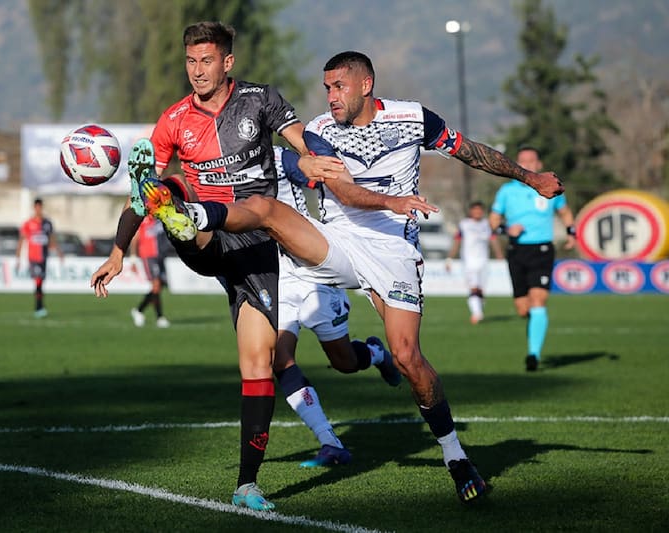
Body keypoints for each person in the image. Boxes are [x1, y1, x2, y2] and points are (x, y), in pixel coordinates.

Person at [139, 51, 566, 504]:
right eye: (326, 88)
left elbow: (469, 151)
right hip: (338, 241)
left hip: (394, 250)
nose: (330, 97)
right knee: (268, 213)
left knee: (408, 359)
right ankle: (193, 217)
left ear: (366, 84)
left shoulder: (413, 118)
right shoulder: (319, 132)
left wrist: (529, 177)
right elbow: (340, 190)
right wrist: (388, 200)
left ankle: (456, 456)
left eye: (338, 86)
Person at [90, 21, 308, 511]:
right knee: (169, 195)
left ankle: (247, 484)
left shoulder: (260, 100)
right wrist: (119, 249)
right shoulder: (173, 120)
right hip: (207, 236)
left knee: (257, 364)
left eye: (206, 61)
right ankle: (177, 212)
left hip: (255, 244)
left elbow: (301, 142)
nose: (197, 71)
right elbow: (136, 203)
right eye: (190, 62)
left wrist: (313, 162)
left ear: (227, 62)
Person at [272, 145, 402, 468]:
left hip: (314, 270)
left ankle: (375, 353)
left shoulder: (279, 157)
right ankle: (330, 441)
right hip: (277, 278)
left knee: (343, 361)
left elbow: (315, 173)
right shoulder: (223, 170)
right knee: (279, 358)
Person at [488, 146, 576, 372]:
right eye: (522, 162)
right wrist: (507, 228)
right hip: (517, 251)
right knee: (523, 309)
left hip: (542, 250)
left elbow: (564, 211)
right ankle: (534, 334)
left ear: (539, 164)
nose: (527, 165)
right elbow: (494, 220)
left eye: (531, 161)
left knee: (538, 302)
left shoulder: (550, 187)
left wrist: (571, 232)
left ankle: (533, 355)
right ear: (516, 165)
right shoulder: (507, 192)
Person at [445, 201, 504, 324]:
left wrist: (499, 255)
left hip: (483, 261)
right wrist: (450, 258)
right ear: (471, 211)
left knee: (481, 290)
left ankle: (479, 311)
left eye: (480, 210)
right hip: (468, 262)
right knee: (474, 288)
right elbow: (457, 241)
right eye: (475, 210)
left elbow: (493, 239)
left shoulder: (486, 224)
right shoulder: (464, 224)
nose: (478, 212)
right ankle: (477, 314)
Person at [16, 197, 63, 318]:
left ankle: (40, 307)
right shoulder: (28, 224)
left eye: (40, 207)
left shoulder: (47, 223)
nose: (38, 209)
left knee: (41, 282)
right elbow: (21, 240)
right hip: (33, 257)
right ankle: (38, 307)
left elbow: (52, 239)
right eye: (36, 207)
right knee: (38, 281)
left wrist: (59, 252)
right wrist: (18, 257)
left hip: (44, 257)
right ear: (34, 208)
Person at [130, 213, 171, 328]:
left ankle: (139, 310)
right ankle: (160, 317)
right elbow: (135, 238)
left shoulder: (160, 218)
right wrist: (133, 258)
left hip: (160, 256)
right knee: (156, 285)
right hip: (148, 255)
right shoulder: (143, 219)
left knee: (160, 285)